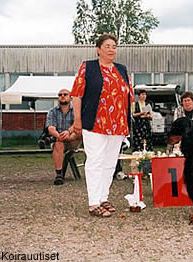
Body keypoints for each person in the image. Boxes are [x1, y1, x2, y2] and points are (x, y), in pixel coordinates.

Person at [71, 33, 134, 218]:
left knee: (109, 163)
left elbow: (127, 95)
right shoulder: (88, 67)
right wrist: (77, 120)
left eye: (114, 46)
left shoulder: (121, 69)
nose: (111, 49)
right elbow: (77, 94)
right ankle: (93, 202)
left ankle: (103, 197)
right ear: (98, 49)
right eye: (107, 46)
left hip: (118, 125)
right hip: (94, 123)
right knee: (95, 161)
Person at [45, 88, 81, 185]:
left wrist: (69, 132)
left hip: (73, 138)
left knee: (78, 132)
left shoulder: (76, 110)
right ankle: (59, 174)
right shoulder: (52, 111)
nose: (62, 96)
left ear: (70, 97)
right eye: (60, 95)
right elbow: (50, 128)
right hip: (59, 139)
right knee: (58, 144)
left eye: (65, 94)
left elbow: (78, 123)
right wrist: (59, 136)